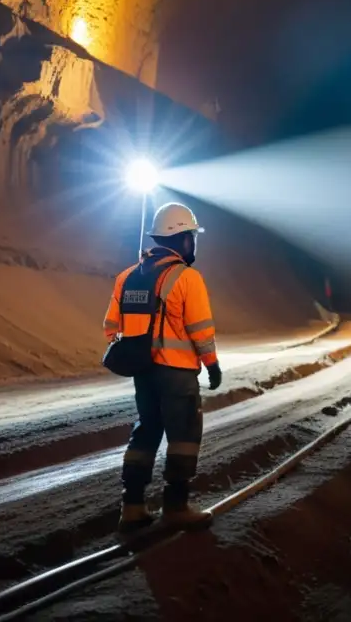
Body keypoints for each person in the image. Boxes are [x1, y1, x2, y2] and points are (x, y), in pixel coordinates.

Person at [103, 202, 222, 534]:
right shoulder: (187, 278)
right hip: (178, 374)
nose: (193, 244)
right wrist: (211, 365)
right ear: (182, 239)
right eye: (192, 237)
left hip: (144, 373)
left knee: (146, 432)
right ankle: (176, 507)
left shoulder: (127, 277)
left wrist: (140, 348)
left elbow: (111, 326)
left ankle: (132, 508)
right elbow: (201, 329)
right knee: (183, 436)